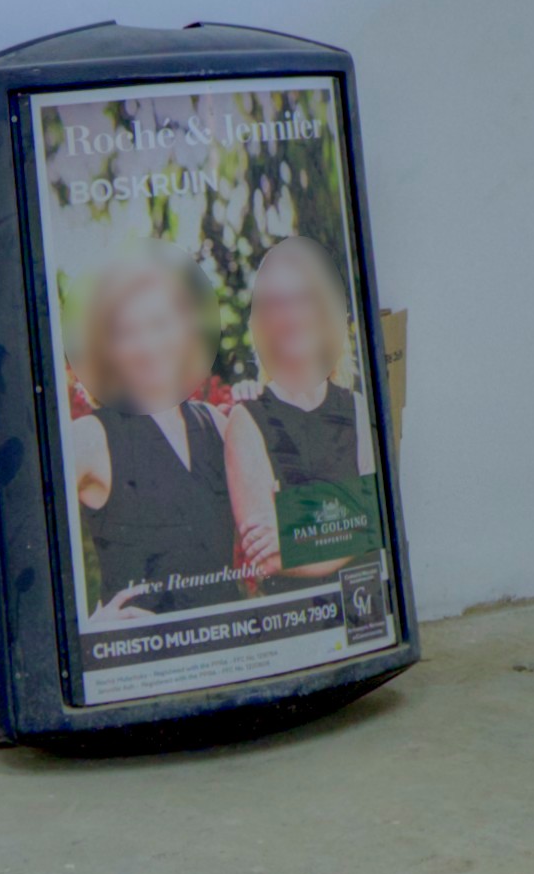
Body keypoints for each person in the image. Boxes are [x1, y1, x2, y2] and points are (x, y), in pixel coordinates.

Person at [61, 252, 269, 616]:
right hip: (147, 650)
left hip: (229, 640)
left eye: (159, 324)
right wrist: (88, 626)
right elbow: (24, 531)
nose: (148, 345)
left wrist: (260, 416)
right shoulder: (92, 437)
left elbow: (283, 512)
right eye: (127, 333)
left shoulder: (217, 425)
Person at [231, 236, 376, 555]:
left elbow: (378, 524)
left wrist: (291, 531)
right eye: (275, 303)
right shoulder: (248, 417)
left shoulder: (356, 408)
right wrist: (353, 518)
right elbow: (266, 557)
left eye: (303, 299)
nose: (291, 315)